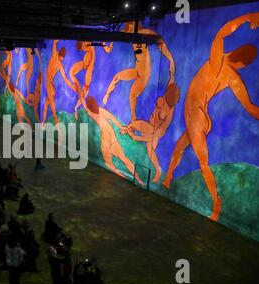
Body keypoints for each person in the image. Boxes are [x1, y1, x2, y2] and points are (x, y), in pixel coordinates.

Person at [163, 13, 259, 221]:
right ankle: (168, 177)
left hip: (197, 115)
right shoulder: (233, 76)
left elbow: (221, 34)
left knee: (203, 162)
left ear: (236, 54)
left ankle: (216, 202)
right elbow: (251, 108)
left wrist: (249, 17)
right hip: (196, 115)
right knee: (180, 147)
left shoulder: (219, 64)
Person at [102, 21, 175, 124]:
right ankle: (106, 95)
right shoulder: (126, 34)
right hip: (137, 69)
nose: (130, 29)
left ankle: (133, 118)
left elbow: (160, 42)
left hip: (144, 73)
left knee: (132, 93)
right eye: (129, 26)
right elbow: (109, 49)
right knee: (117, 77)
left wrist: (170, 59)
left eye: (132, 25)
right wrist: (103, 42)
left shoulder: (144, 32)